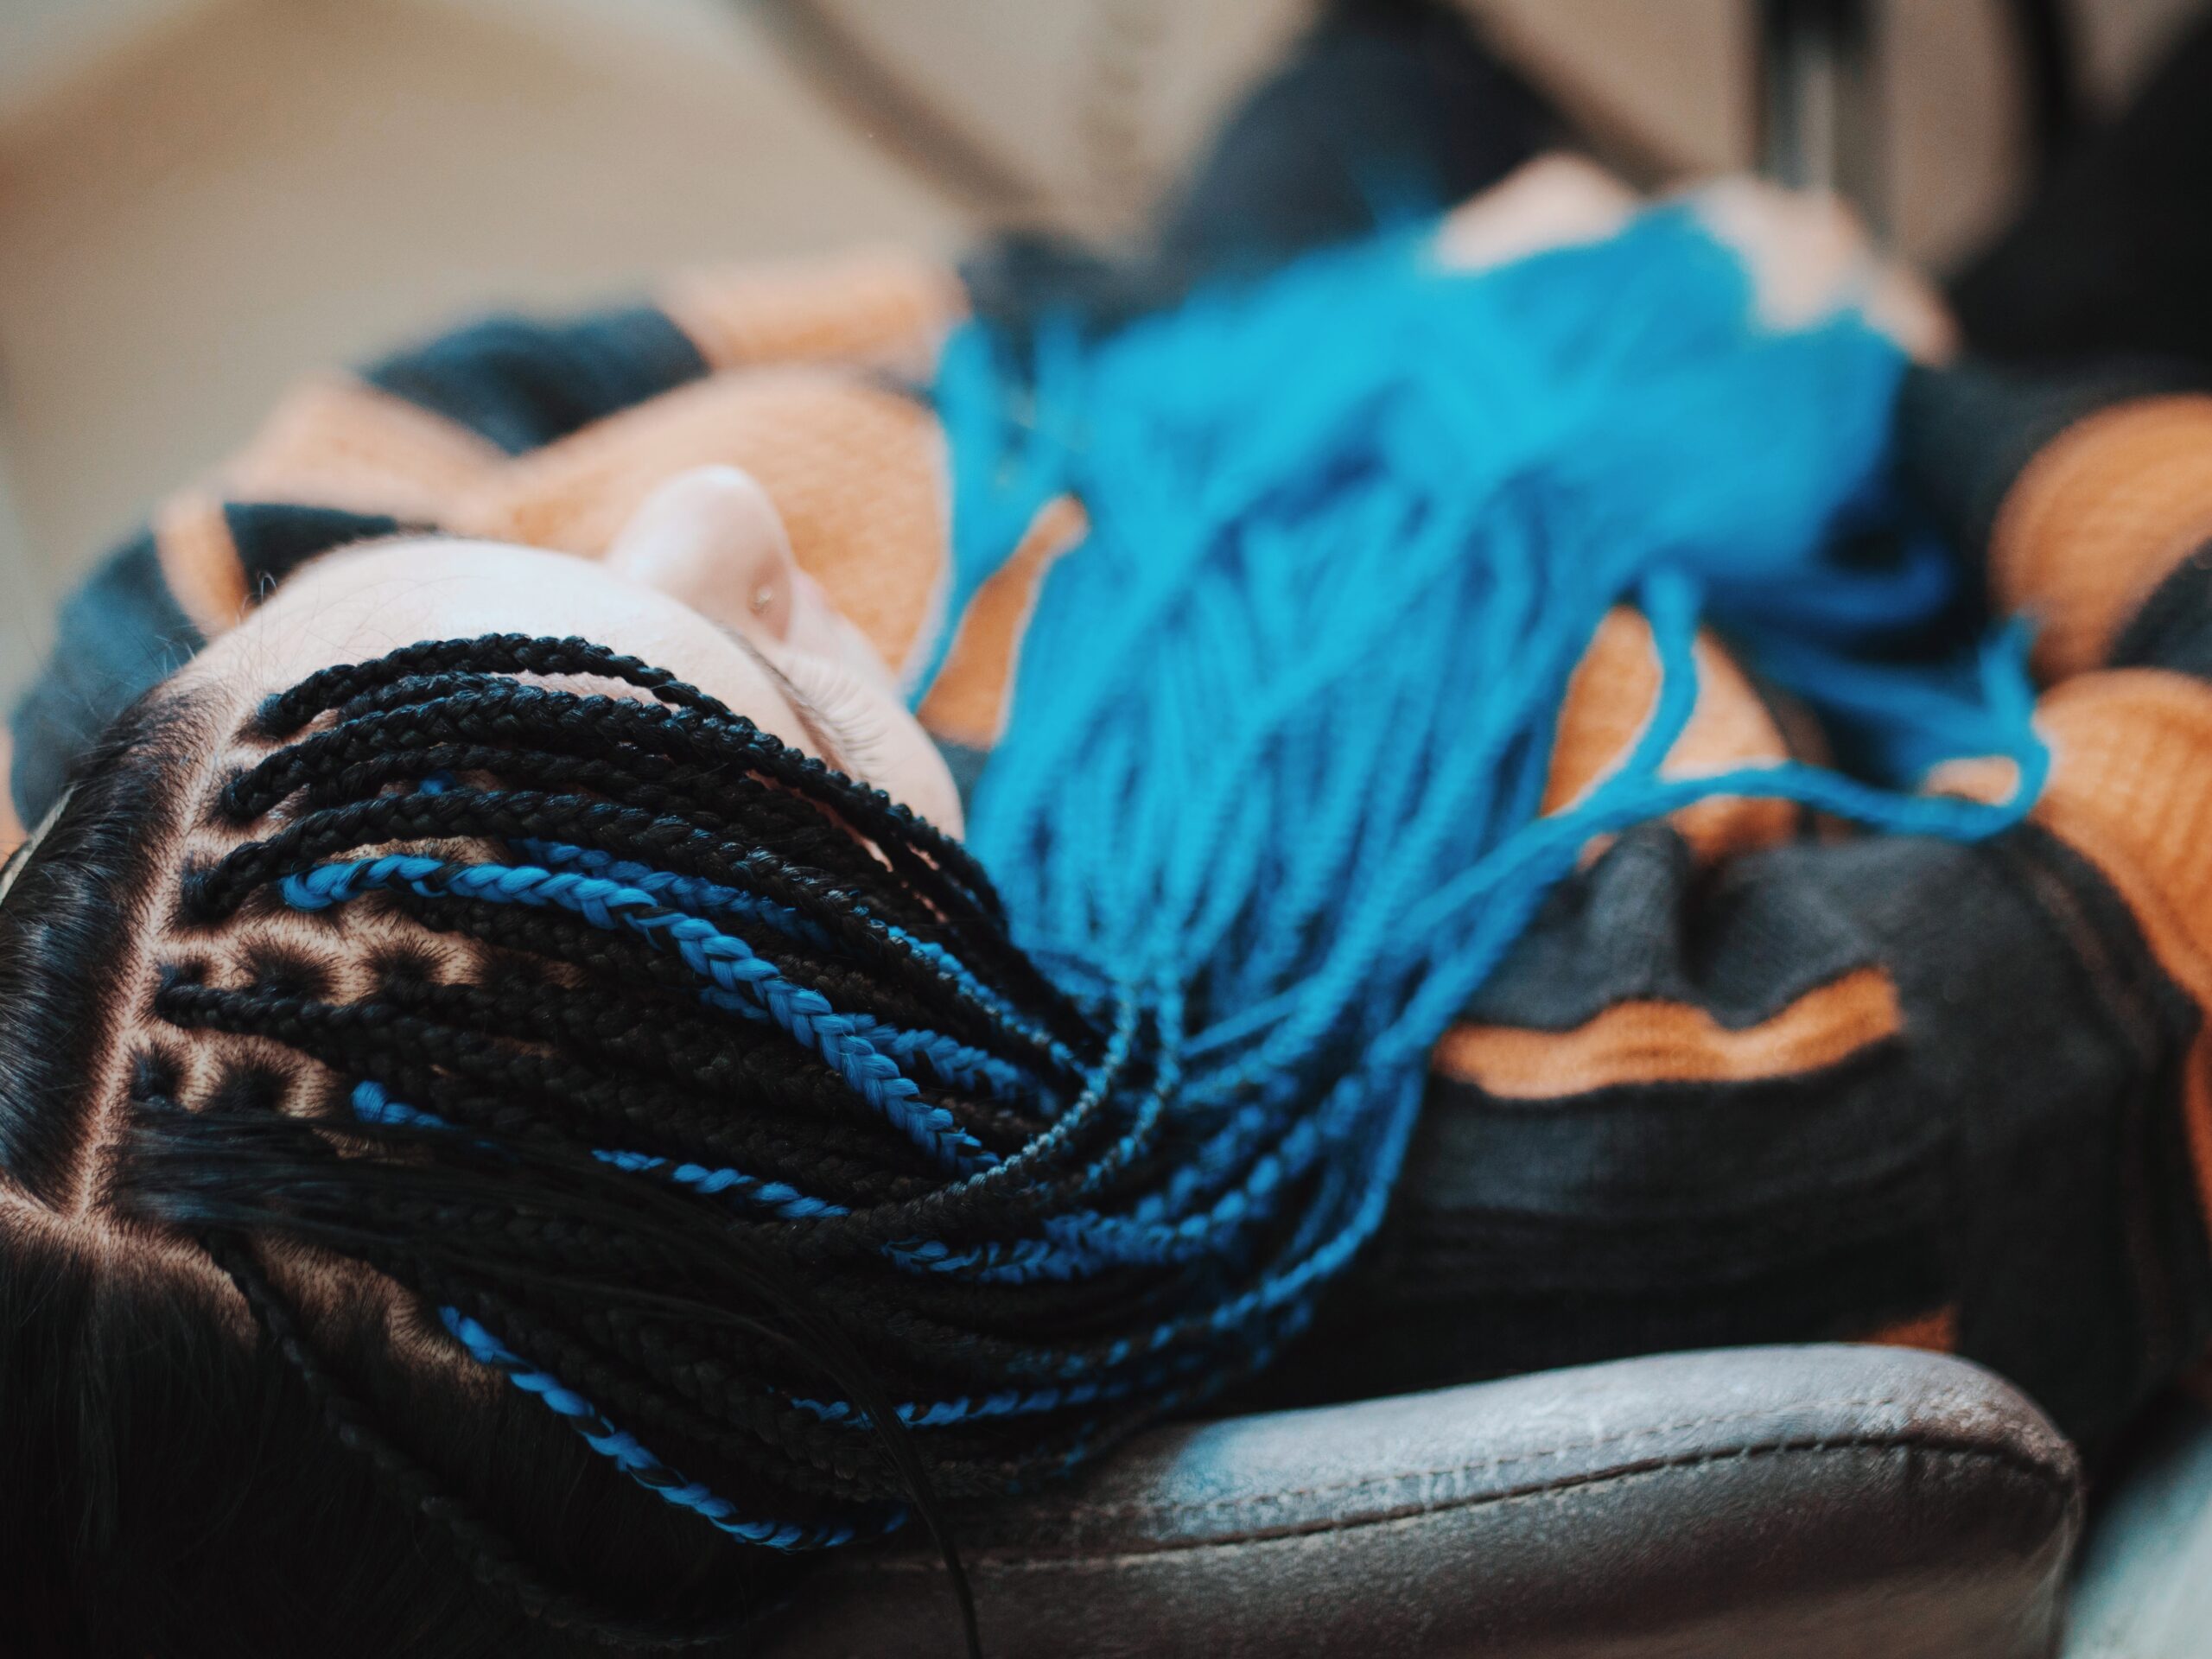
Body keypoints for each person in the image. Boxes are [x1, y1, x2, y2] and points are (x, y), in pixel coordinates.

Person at [5, 3, 2212, 1653]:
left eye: (499, 581)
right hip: (1814, 507)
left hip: (1174, 361)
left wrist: (1365, 312)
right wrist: (1818, 345)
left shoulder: (166, 826)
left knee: (1378, 66)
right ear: (931, 1148)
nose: (708, 506)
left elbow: (530, 384)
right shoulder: (1693, 1125)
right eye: (771, 688)